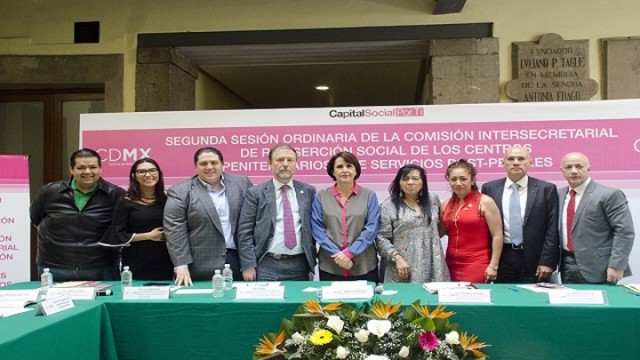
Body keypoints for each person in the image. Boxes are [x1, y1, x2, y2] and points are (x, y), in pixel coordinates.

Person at [30, 148, 125, 281]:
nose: (87, 172)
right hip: (55, 267)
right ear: (72, 169)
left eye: (93, 167)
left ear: (100, 169)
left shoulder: (115, 194)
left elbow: (120, 227)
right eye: (81, 167)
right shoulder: (49, 192)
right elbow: (35, 218)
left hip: (101, 268)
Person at [164, 147, 252, 286]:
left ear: (222, 164)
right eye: (204, 163)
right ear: (195, 167)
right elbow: (174, 230)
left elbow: (251, 222)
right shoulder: (180, 191)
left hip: (239, 261)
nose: (209, 167)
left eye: (214, 163)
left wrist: (250, 262)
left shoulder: (242, 183)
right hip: (198, 266)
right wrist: (181, 265)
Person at [237, 144, 317, 281]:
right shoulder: (255, 193)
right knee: (266, 302)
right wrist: (248, 265)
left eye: (290, 160)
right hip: (267, 264)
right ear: (270, 163)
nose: (285, 164)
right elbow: (244, 232)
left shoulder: (308, 191)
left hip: (300, 264)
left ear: (296, 163)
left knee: (299, 303)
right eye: (280, 160)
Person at [481, 146, 559, 283]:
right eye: (511, 159)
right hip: (502, 256)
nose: (516, 162)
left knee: (535, 301)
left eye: (521, 159)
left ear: (530, 162)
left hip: (535, 258)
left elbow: (552, 228)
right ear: (503, 163)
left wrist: (547, 260)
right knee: (503, 299)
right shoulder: (490, 188)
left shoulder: (546, 189)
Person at [558, 152, 634, 284]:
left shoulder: (609, 195)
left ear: (588, 169)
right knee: (569, 304)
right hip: (566, 265)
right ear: (562, 171)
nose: (574, 171)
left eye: (579, 166)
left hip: (600, 267)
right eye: (568, 167)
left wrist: (617, 265)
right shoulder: (558, 194)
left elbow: (624, 232)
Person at [311, 151, 380, 282]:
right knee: (333, 303)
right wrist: (338, 255)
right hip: (331, 265)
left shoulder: (369, 195)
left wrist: (349, 253)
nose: (345, 170)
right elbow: (317, 229)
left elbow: (371, 228)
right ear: (332, 171)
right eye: (339, 167)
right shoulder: (321, 196)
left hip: (364, 265)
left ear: (356, 170)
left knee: (365, 302)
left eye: (349, 166)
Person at [100, 158, 173, 280]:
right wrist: (148, 236)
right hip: (136, 261)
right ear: (134, 176)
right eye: (142, 171)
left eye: (152, 170)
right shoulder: (125, 201)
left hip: (167, 260)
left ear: (159, 174)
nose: (148, 175)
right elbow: (117, 234)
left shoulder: (169, 198)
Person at [376, 164, 450, 283]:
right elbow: (381, 238)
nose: (410, 182)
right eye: (405, 179)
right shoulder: (388, 205)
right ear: (399, 183)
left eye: (415, 178)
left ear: (422, 182)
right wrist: (397, 259)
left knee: (433, 299)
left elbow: (438, 229)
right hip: (402, 266)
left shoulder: (433, 200)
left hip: (433, 264)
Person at [440, 159, 503, 283]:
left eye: (463, 179)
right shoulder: (445, 204)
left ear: (472, 180)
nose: (458, 183)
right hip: (450, 263)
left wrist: (493, 266)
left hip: (477, 263)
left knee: (473, 299)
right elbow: (440, 232)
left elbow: (497, 236)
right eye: (453, 179)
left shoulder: (485, 201)